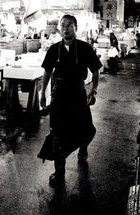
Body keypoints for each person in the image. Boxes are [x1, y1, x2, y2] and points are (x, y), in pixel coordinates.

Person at [39, 14, 102, 186]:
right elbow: (47, 72)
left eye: (70, 25)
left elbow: (96, 70)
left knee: (87, 129)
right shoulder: (53, 49)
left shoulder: (84, 47)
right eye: (63, 25)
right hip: (59, 95)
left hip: (78, 93)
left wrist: (93, 90)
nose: (66, 28)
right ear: (60, 28)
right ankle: (59, 173)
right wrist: (43, 92)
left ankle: (83, 146)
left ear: (75, 28)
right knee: (58, 134)